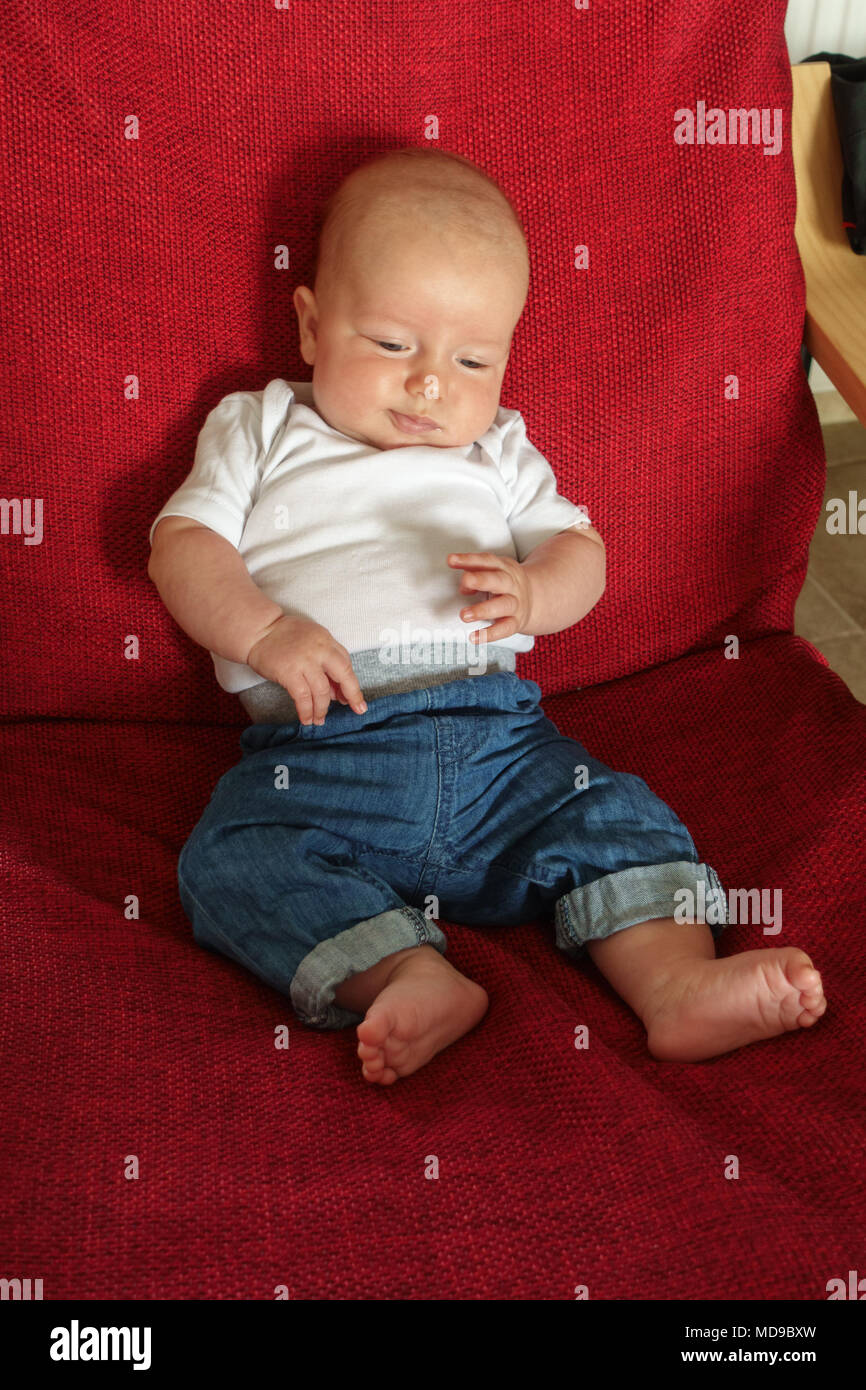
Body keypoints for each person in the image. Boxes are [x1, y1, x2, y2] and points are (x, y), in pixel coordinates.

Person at [148, 146, 825, 1084]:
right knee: (229, 858)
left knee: (613, 817)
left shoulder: (499, 448)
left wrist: (538, 591)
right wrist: (263, 630)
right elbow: (182, 544)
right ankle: (406, 972)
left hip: (503, 749)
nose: (430, 385)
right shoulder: (261, 425)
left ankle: (674, 986)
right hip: (323, 754)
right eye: (391, 345)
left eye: (472, 359)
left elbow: (580, 550)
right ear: (309, 324)